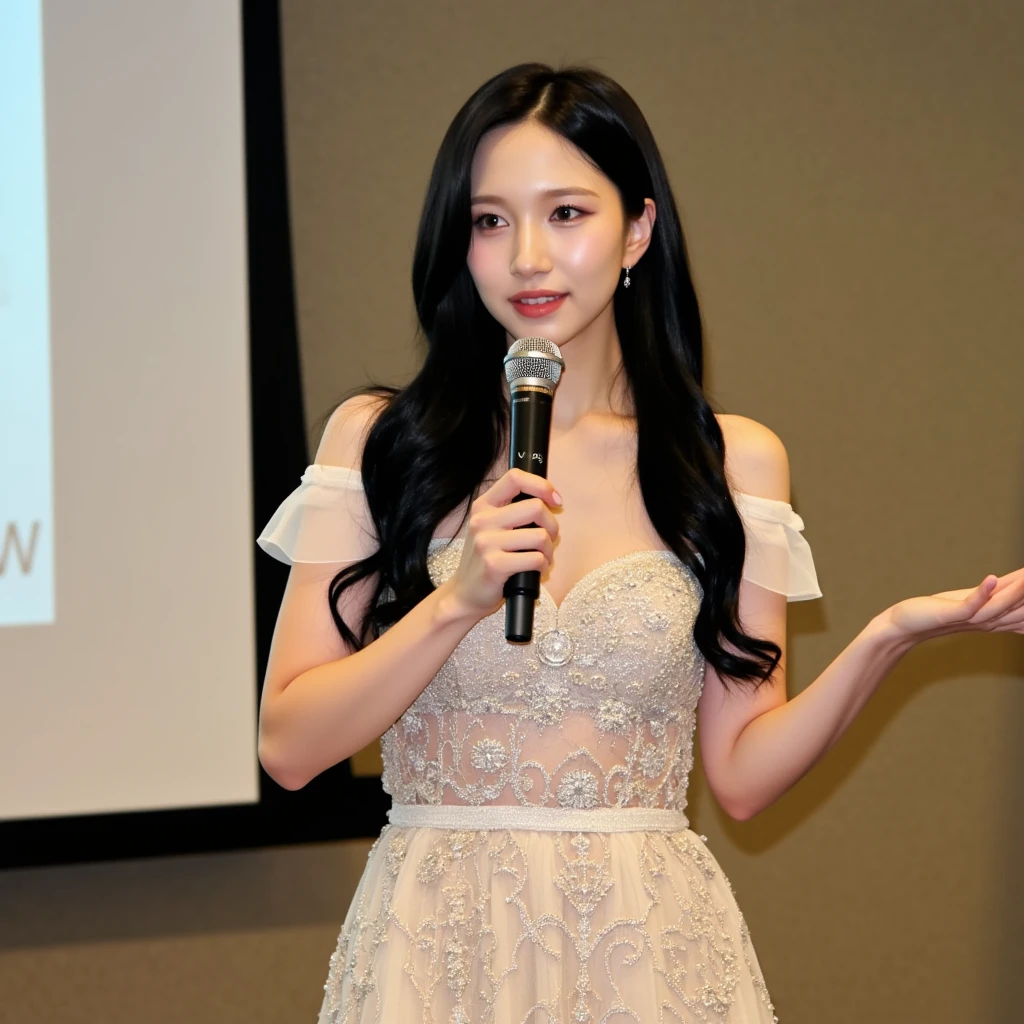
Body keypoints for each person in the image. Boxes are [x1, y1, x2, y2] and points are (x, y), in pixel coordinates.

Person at [255, 63, 1024, 1024]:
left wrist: (891, 638)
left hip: (647, 951)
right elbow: (287, 745)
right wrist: (456, 604)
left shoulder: (728, 460)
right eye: (490, 221)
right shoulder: (382, 444)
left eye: (566, 213)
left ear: (638, 231)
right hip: (438, 950)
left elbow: (740, 776)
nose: (528, 256)